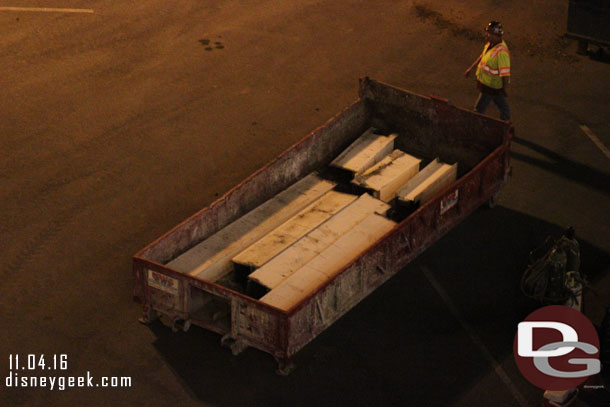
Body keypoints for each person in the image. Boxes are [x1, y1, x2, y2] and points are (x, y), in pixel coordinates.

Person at [464, 21, 511, 121]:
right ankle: (504, 124)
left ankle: (476, 124)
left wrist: (504, 89)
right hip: (488, 84)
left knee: (480, 108)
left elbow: (505, 74)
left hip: (491, 86)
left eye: (489, 33)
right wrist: (471, 68)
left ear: (496, 35)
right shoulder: (490, 44)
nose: (487, 35)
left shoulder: (502, 52)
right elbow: (482, 57)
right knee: (503, 107)